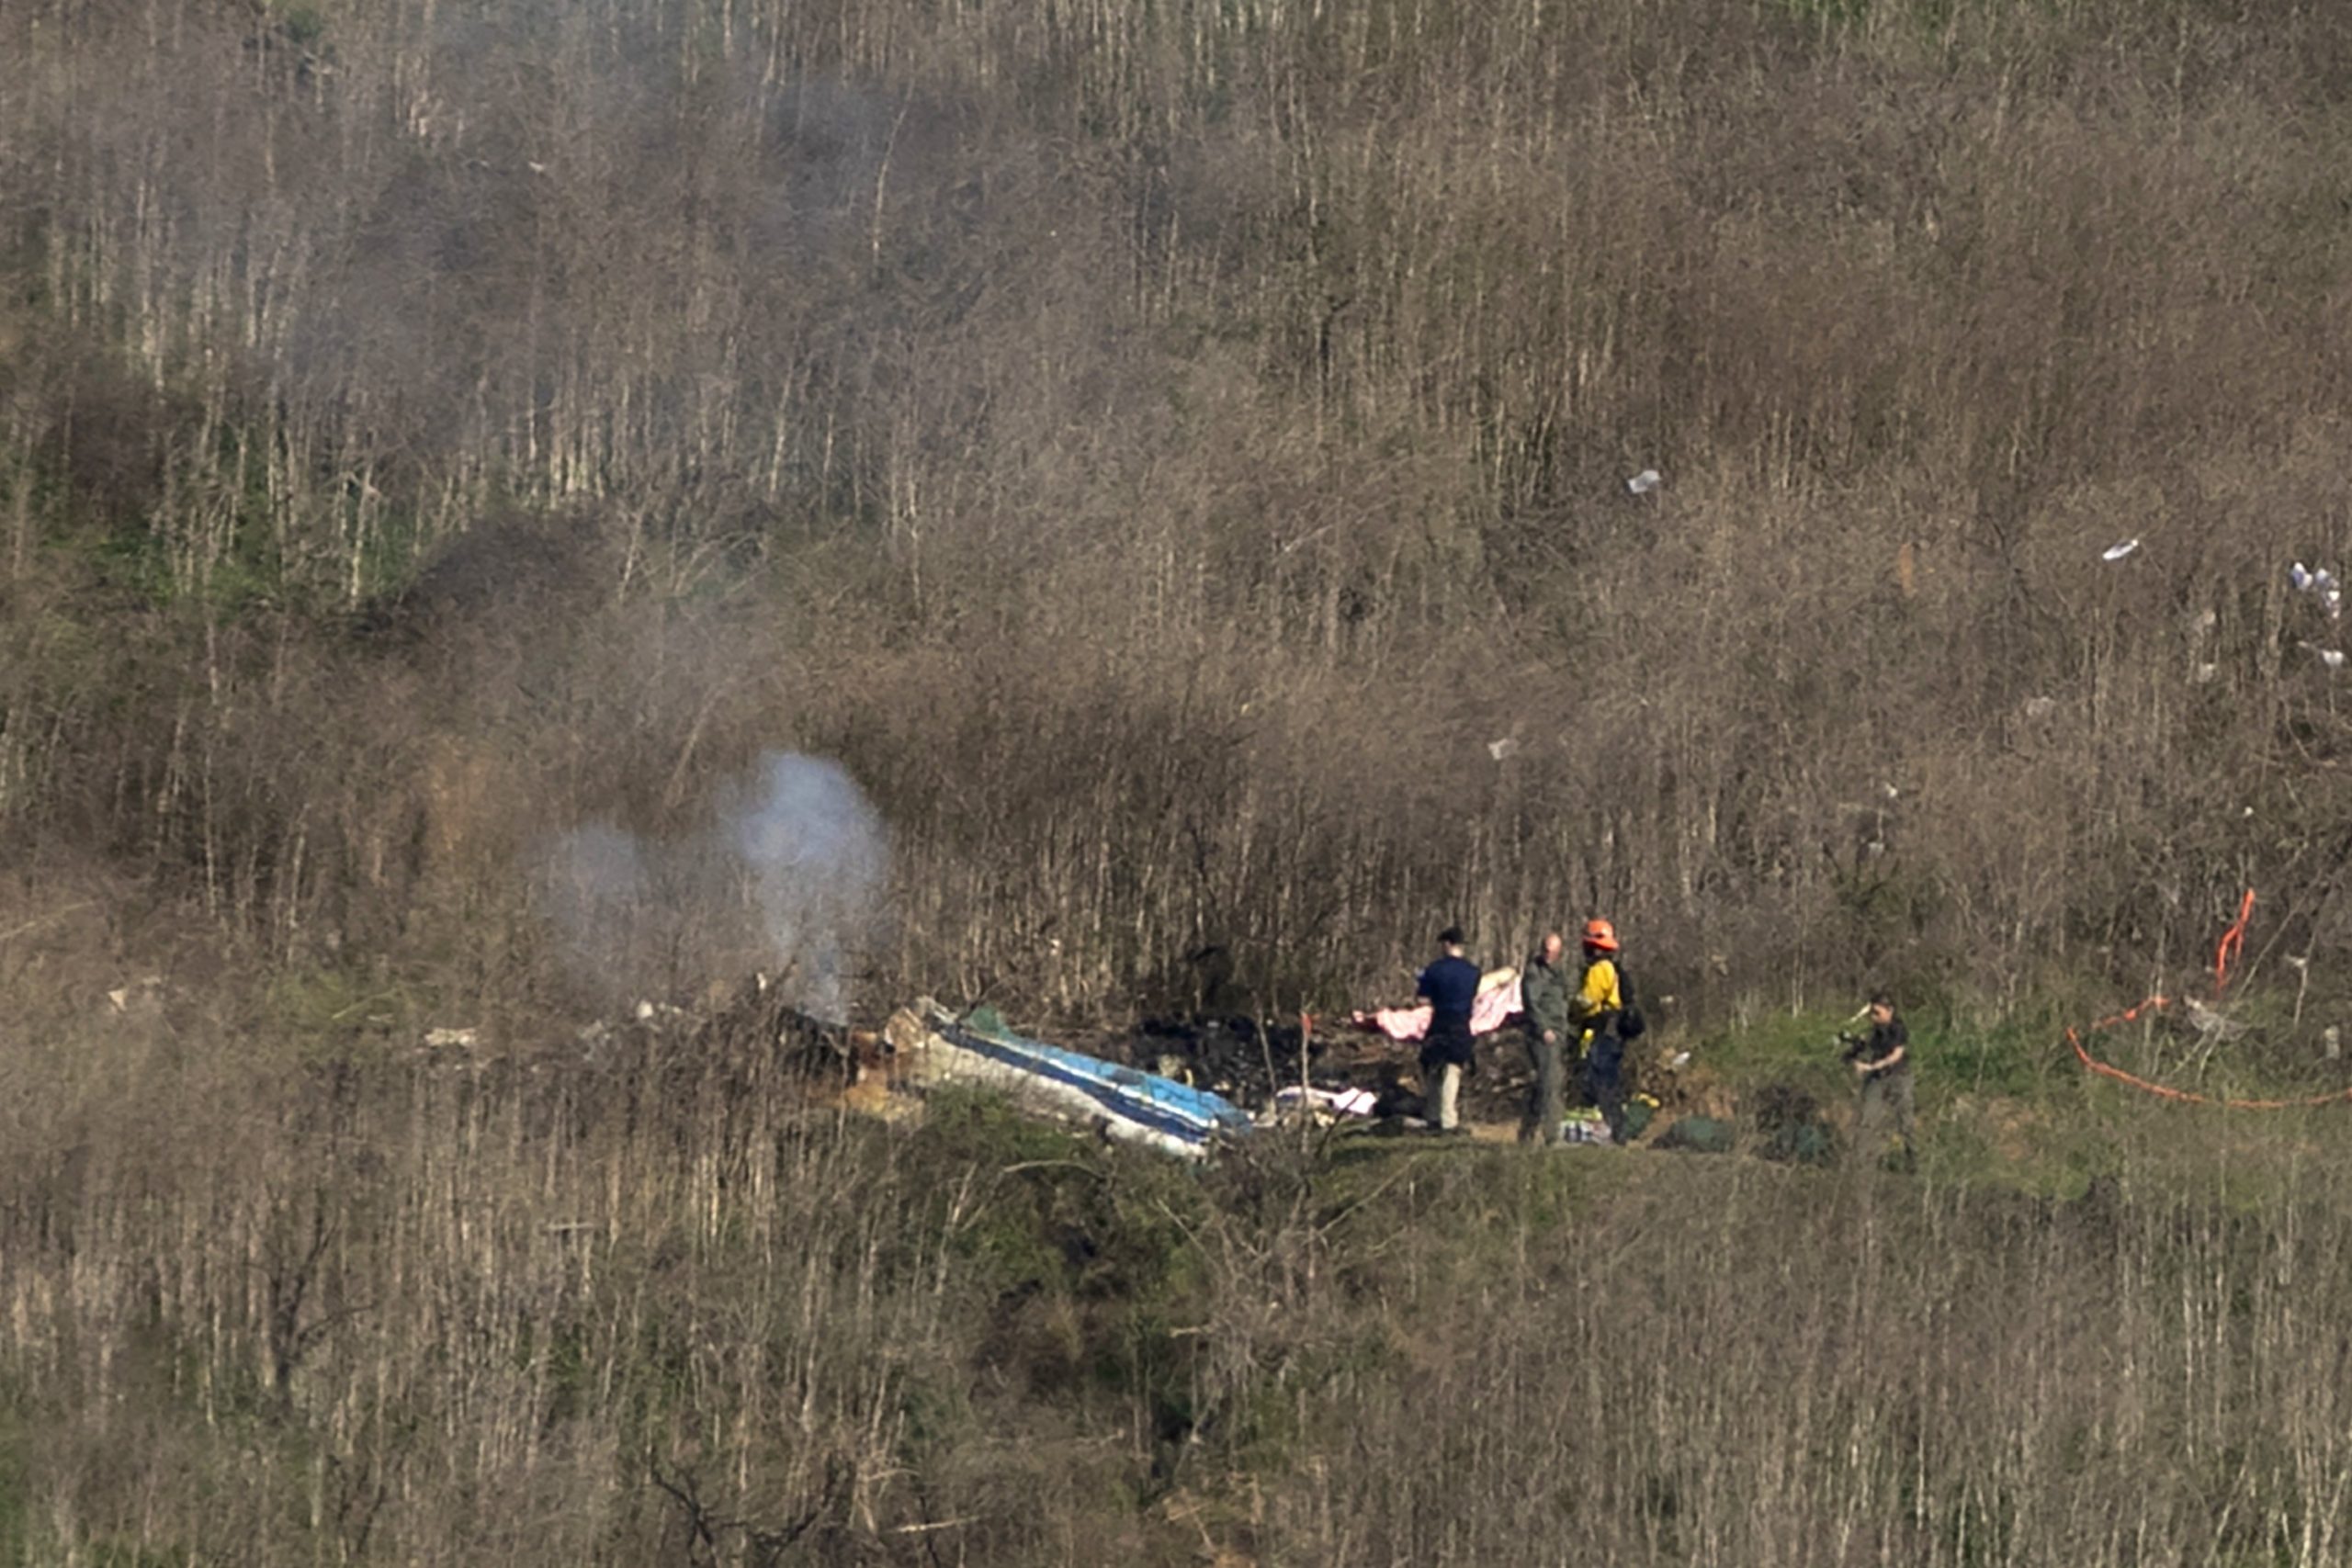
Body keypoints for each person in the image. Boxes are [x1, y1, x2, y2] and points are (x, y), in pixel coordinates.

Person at [1416, 927, 1480, 1132]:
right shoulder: (1473, 972)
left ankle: (1433, 1117)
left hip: (1440, 1021)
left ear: (1447, 944)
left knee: (1434, 1069)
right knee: (1453, 1070)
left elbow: (1422, 999)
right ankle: (1449, 1119)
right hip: (1461, 1023)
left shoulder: (1433, 970)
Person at [1568, 919, 1627, 1144]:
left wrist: (1570, 1010)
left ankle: (1612, 1130)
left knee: (1600, 1083)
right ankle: (1613, 1129)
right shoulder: (1610, 967)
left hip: (1600, 1031)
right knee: (1607, 1082)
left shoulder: (1599, 970)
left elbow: (1587, 1000)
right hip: (1610, 1032)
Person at [1845, 993, 1915, 1168]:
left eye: (1878, 1013)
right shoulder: (1872, 1031)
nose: (1874, 1017)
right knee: (1868, 1118)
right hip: (1878, 1079)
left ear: (1889, 1011)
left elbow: (1895, 1056)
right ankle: (1862, 1161)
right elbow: (1859, 1045)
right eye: (1872, 1013)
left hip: (1899, 1077)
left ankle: (1912, 1160)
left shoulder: (1898, 1029)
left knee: (1905, 1120)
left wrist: (1872, 1067)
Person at [1518, 931, 1571, 1145]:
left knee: (1545, 1084)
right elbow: (1531, 1004)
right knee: (1550, 1084)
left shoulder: (1560, 973)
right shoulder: (1534, 973)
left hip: (1559, 1032)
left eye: (1554, 951)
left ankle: (1526, 1134)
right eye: (1547, 950)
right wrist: (1544, 1029)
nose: (1550, 954)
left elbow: (1565, 1000)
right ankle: (1552, 1136)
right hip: (1543, 1036)